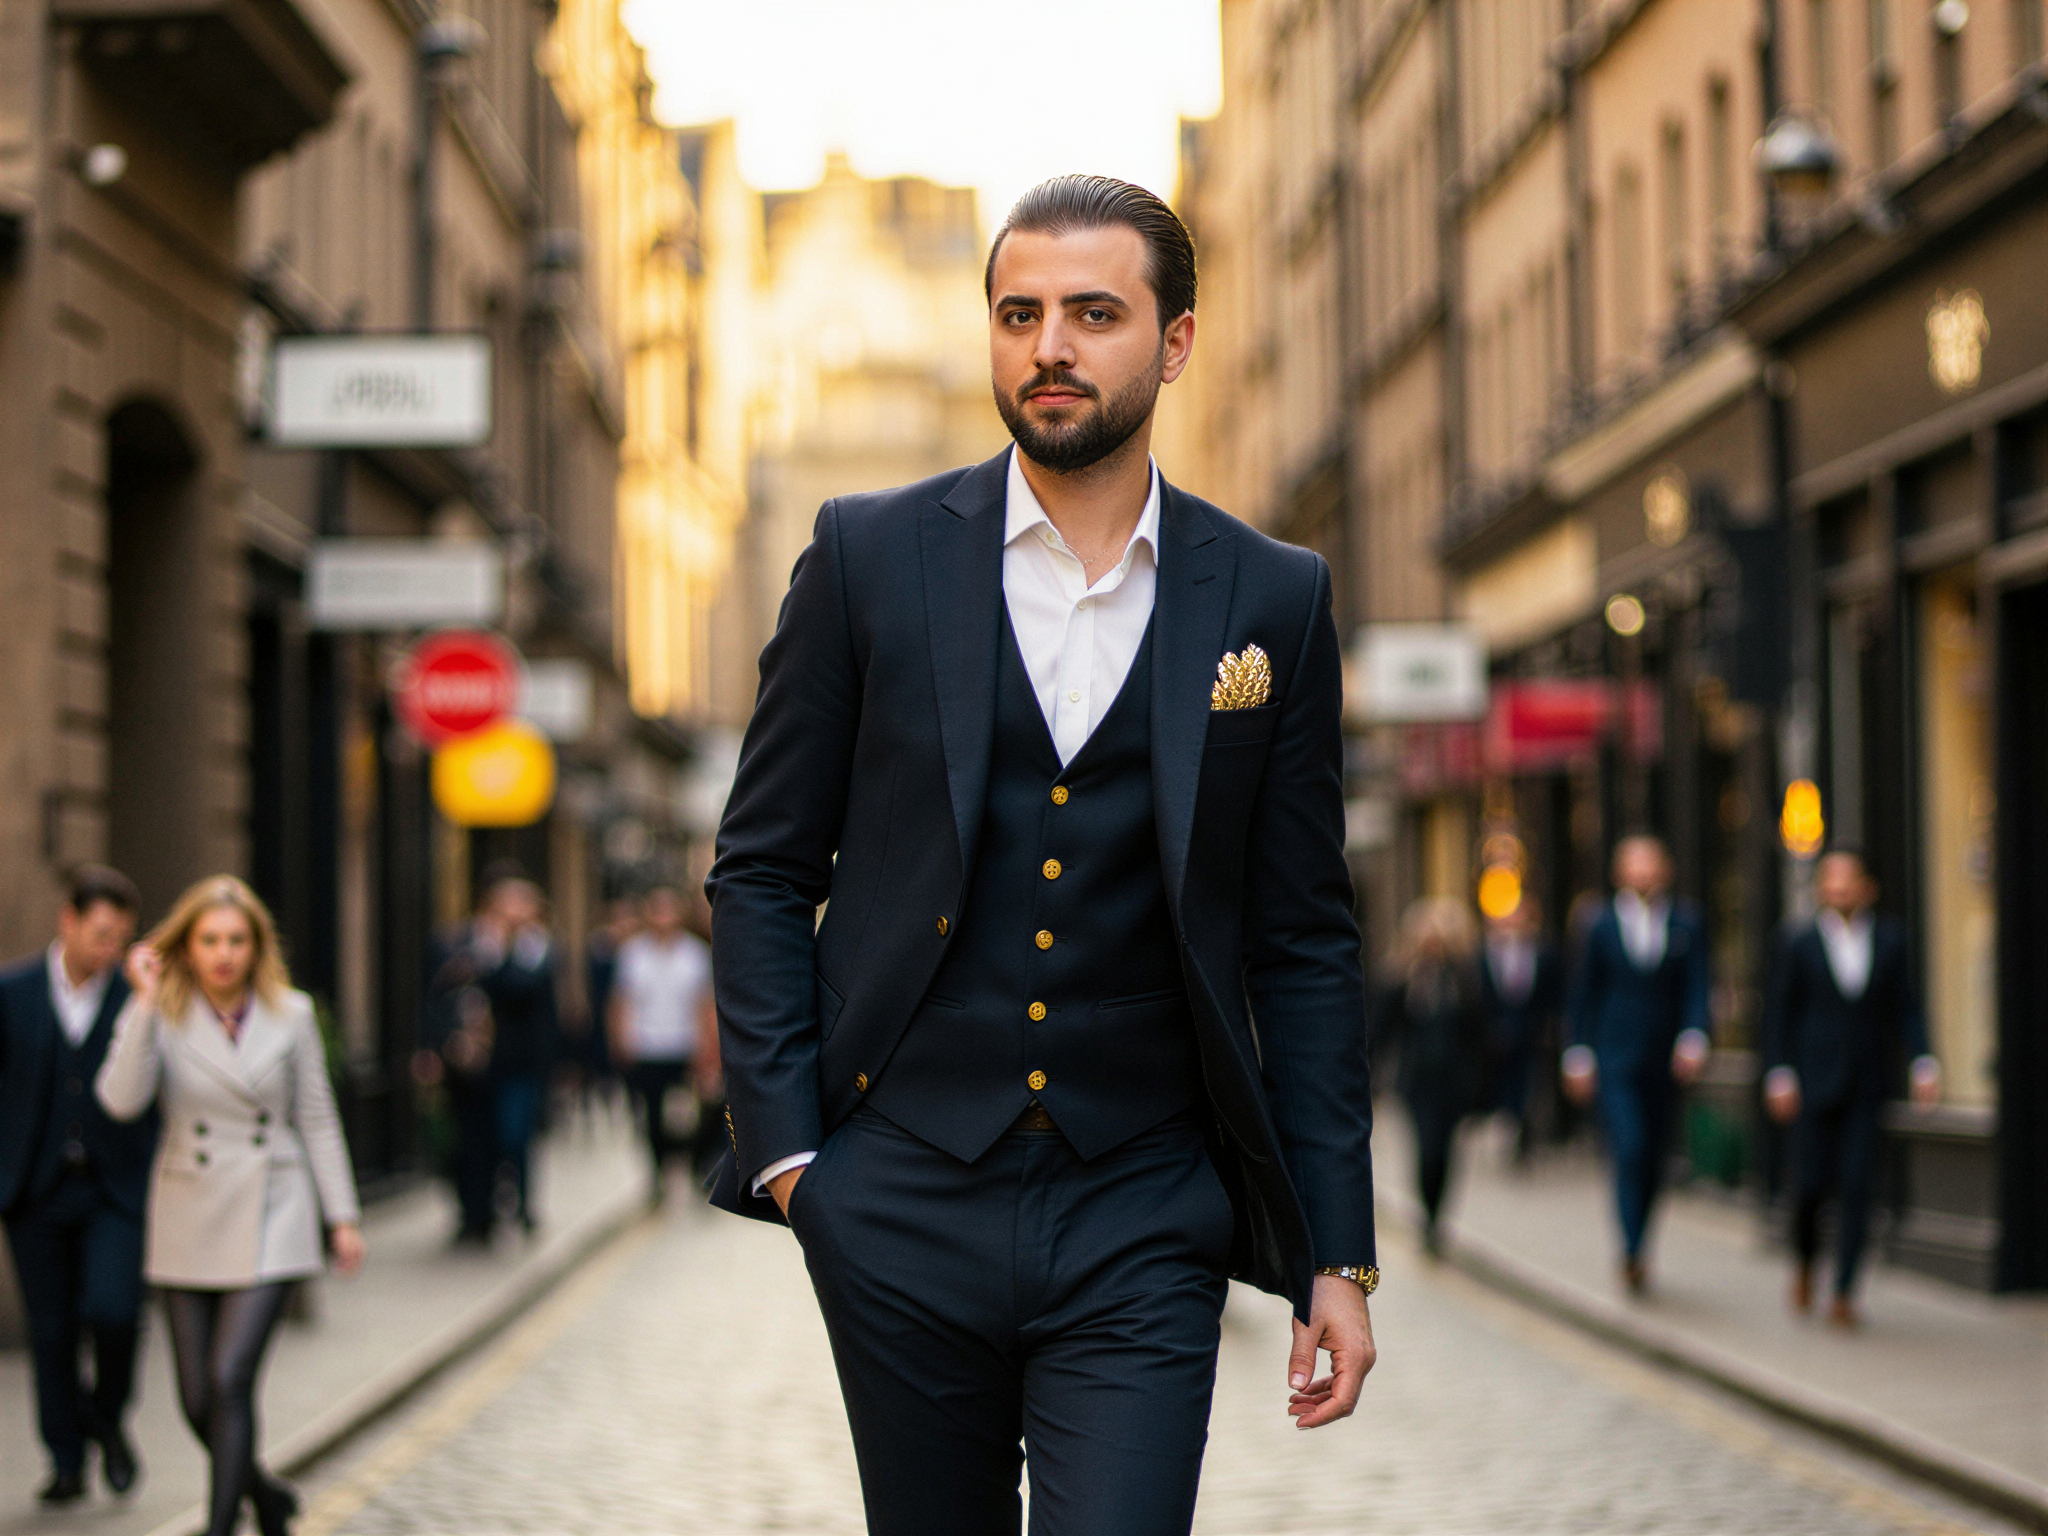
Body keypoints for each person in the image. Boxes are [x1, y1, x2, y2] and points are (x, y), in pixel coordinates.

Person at [708, 174, 1377, 1536]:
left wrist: (1339, 1254)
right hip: (896, 1195)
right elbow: (763, 867)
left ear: (1174, 341)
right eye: (1019, 314)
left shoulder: (1272, 598)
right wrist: (792, 1160)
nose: (1049, 347)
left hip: (1142, 1206)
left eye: (1091, 313)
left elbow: (1303, 939)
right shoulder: (867, 557)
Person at [95, 876, 363, 1536]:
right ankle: (265, 1495)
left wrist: (342, 1216)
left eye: (236, 941)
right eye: (209, 940)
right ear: (186, 946)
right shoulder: (162, 1011)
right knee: (195, 1399)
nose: (223, 954)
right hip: (189, 1207)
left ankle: (221, 1528)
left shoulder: (291, 1014)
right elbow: (120, 1101)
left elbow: (317, 1118)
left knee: (229, 1377)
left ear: (257, 947)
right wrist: (143, 1002)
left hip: (274, 1204)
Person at [0, 866, 153, 1504]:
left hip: (112, 1189)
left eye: (120, 937)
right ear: (67, 921)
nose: (108, 949)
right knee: (52, 1329)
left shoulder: (135, 997)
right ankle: (66, 1460)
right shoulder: (13, 991)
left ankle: (106, 1415)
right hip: (32, 1189)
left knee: (115, 1313)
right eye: (99, 933)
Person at [1762, 849, 1940, 1327]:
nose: (1839, 887)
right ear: (1820, 888)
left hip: (1866, 1083)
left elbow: (1906, 1005)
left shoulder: (1891, 939)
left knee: (1860, 1185)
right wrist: (1779, 1072)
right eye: (1831, 878)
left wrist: (1923, 1061)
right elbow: (1779, 1012)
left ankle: (1843, 1291)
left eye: (1848, 878)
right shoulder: (1796, 941)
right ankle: (1804, 1263)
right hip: (1811, 1083)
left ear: (1868, 888)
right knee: (1811, 1185)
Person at [1563, 835, 1710, 1294]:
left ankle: (1641, 1243)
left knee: (1655, 1158)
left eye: (1652, 864)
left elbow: (1699, 985)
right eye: (1635, 865)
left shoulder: (1687, 921)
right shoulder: (1599, 924)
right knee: (1630, 1147)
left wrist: (1695, 1035)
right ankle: (1630, 1250)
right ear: (1620, 873)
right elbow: (1582, 991)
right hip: (1615, 1058)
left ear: (1665, 870)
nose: (1644, 874)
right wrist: (1577, 1053)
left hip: (1666, 1062)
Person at [425, 876, 559, 1240]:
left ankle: (520, 1205)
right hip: (470, 1065)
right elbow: (436, 995)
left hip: (519, 1063)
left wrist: (497, 957)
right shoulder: (458, 943)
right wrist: (437, 1046)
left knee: (515, 1136)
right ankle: (474, 1216)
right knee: (471, 1141)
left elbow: (525, 993)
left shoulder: (537, 949)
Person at [1379, 899, 1486, 1254]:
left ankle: (1438, 1217)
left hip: (1453, 1082)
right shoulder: (1405, 978)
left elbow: (1481, 1031)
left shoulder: (1465, 979)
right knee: (1426, 1150)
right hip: (1417, 1081)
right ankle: (1426, 1215)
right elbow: (1382, 1028)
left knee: (1446, 1153)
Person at [608, 884, 714, 1199]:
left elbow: (704, 1003)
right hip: (647, 1046)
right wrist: (620, 1040)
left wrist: (707, 1047)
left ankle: (693, 1165)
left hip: (684, 1045)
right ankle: (658, 1173)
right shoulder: (632, 953)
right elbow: (621, 1001)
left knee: (693, 1115)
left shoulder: (695, 954)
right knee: (650, 1116)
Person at [1477, 892, 1564, 1160]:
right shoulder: (1486, 955)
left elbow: (1555, 993)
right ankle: (1508, 1126)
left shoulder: (1545, 952)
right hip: (1499, 1037)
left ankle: (1527, 1135)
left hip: (1533, 1035)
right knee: (1505, 1087)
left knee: (1530, 1087)